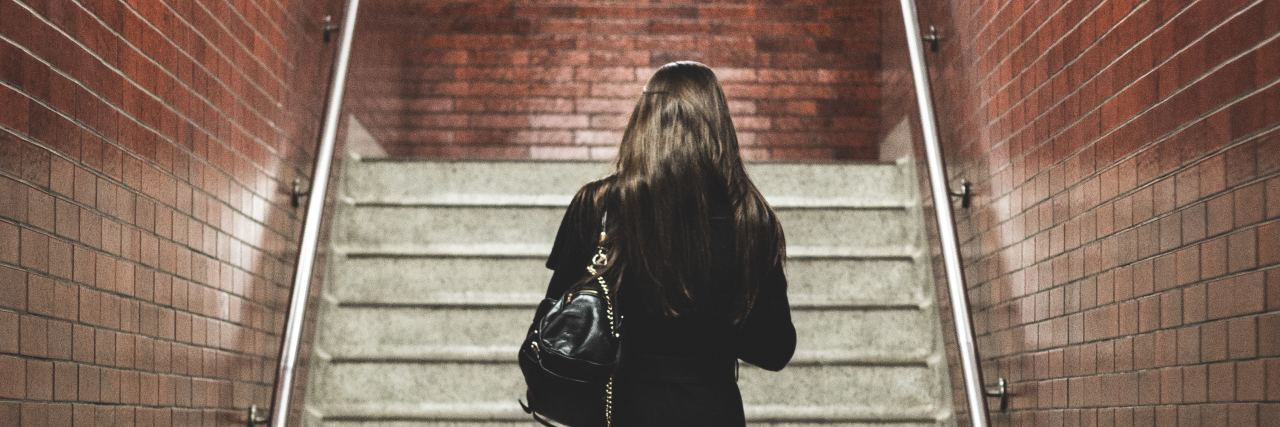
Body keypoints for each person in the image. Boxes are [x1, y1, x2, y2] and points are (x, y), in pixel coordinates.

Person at [542, 61, 796, 426]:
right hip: (711, 410)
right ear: (718, 124)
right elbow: (774, 349)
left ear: (643, 121)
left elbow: (561, 324)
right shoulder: (750, 219)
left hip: (621, 409)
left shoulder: (600, 205)